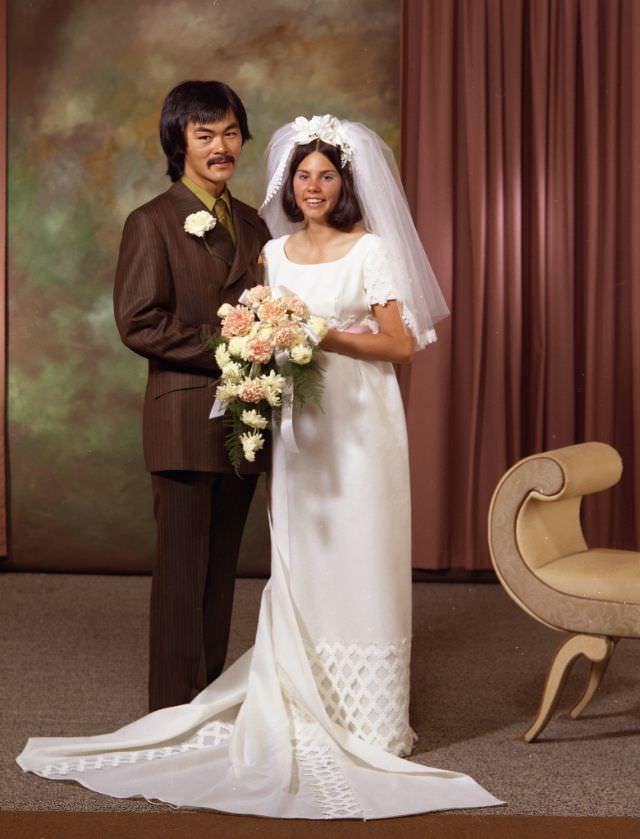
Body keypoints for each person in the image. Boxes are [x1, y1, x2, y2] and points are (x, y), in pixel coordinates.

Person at [17, 116, 502, 819]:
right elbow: (242, 328)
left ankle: (367, 716)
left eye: (326, 175)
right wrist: (262, 338)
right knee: (300, 558)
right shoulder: (270, 253)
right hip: (299, 431)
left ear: (346, 183)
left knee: (361, 552)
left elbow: (400, 344)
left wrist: (315, 331)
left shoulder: (370, 251)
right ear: (288, 182)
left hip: (360, 428)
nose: (313, 186)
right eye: (303, 175)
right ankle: (295, 693)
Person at [113, 80, 270, 711]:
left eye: (231, 132)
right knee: (182, 579)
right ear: (178, 144)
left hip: (243, 421)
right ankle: (169, 716)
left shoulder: (256, 223)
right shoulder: (151, 221)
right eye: (205, 135)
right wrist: (228, 349)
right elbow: (139, 321)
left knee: (220, 574)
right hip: (182, 423)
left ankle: (202, 704)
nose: (221, 146)